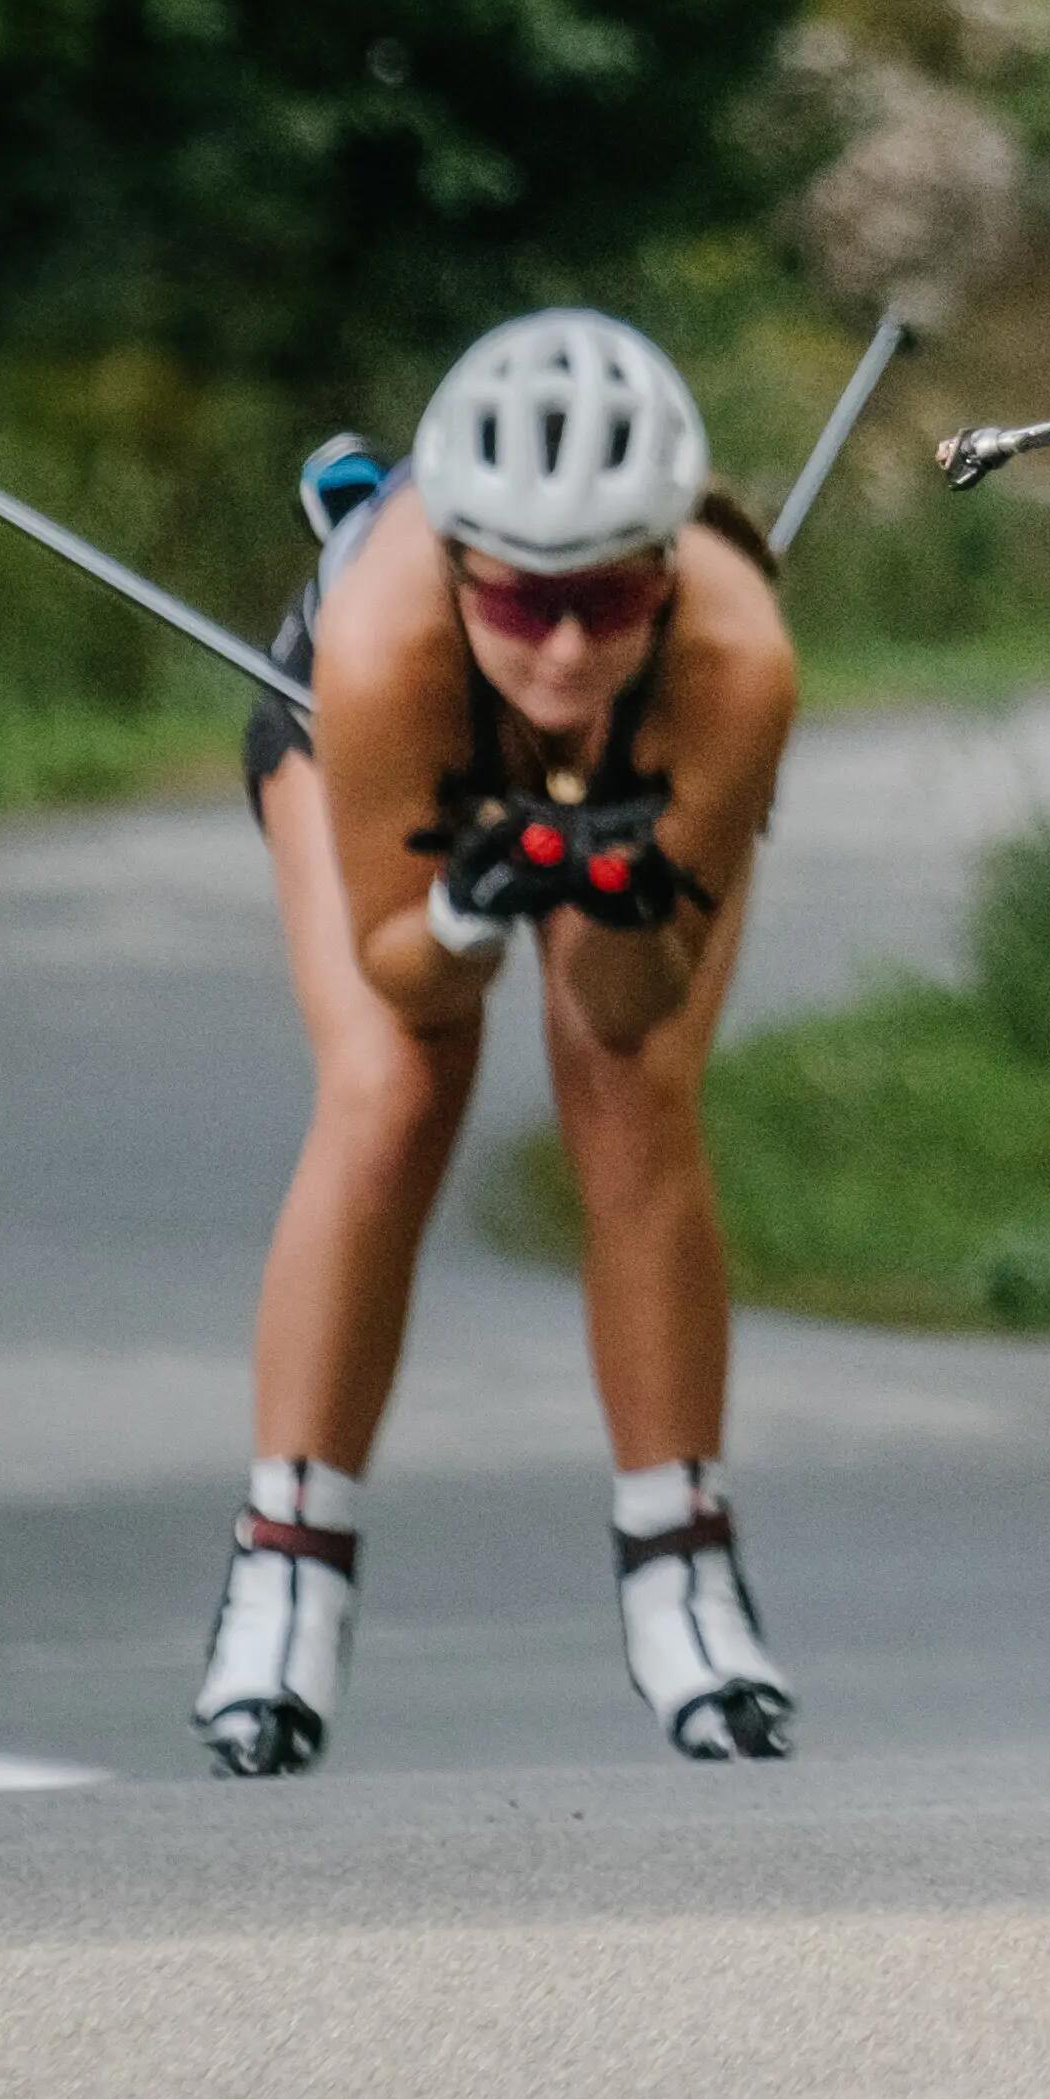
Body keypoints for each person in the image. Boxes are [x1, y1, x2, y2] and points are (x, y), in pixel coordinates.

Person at [192, 311, 801, 1778]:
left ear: (670, 563)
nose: (570, 647)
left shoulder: (737, 660)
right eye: (524, 605)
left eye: (609, 597)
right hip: (387, 760)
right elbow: (408, 981)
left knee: (632, 1090)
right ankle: (286, 1574)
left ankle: (684, 1579)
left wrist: (623, 887)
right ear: (463, 568)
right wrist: (476, 901)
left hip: (639, 803)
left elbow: (630, 1006)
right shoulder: (384, 640)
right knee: (393, 1088)